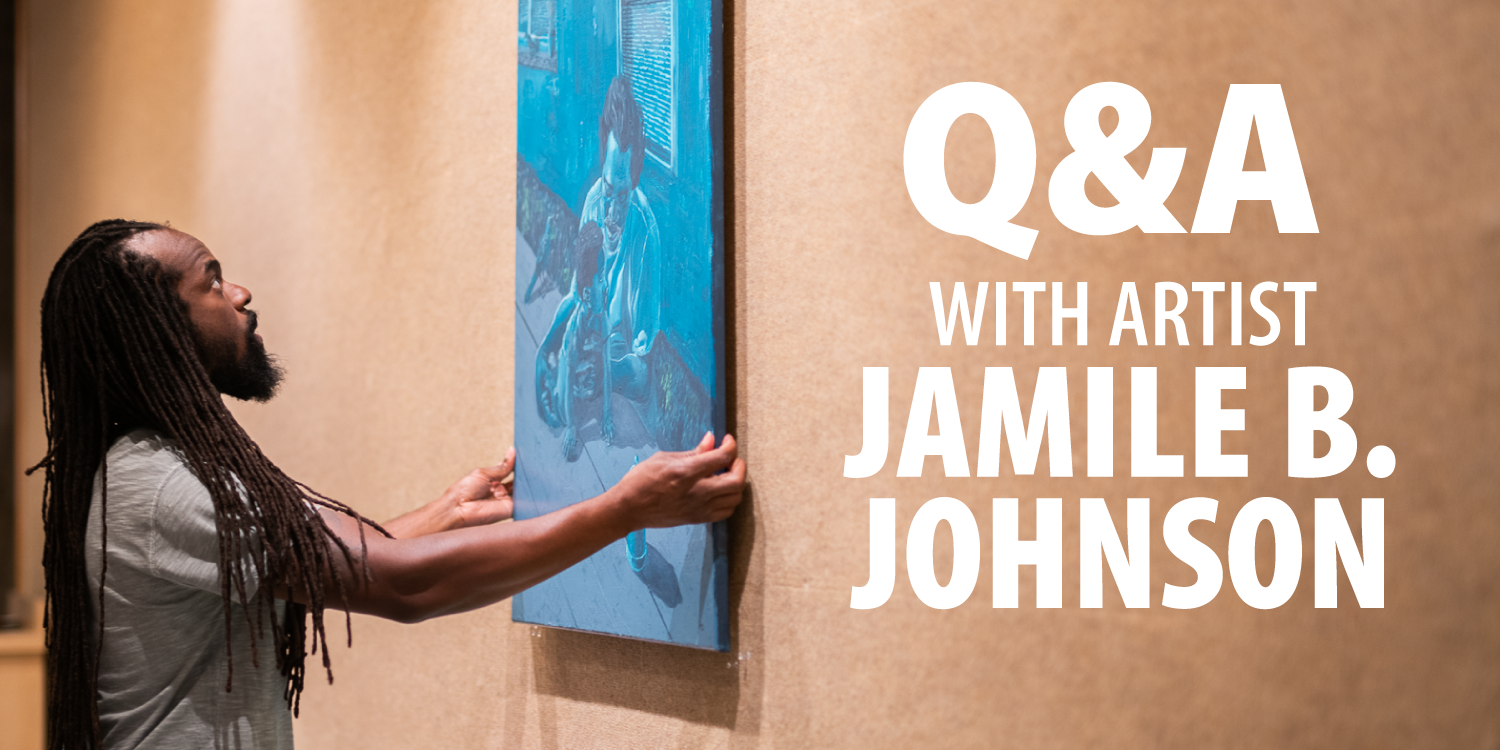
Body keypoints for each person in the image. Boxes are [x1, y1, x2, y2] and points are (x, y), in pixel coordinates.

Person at [34, 219, 747, 750]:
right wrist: (625, 508)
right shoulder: (161, 485)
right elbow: (400, 586)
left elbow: (324, 558)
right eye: (212, 282)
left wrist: (448, 511)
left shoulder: (156, 465)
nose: (241, 293)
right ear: (158, 330)